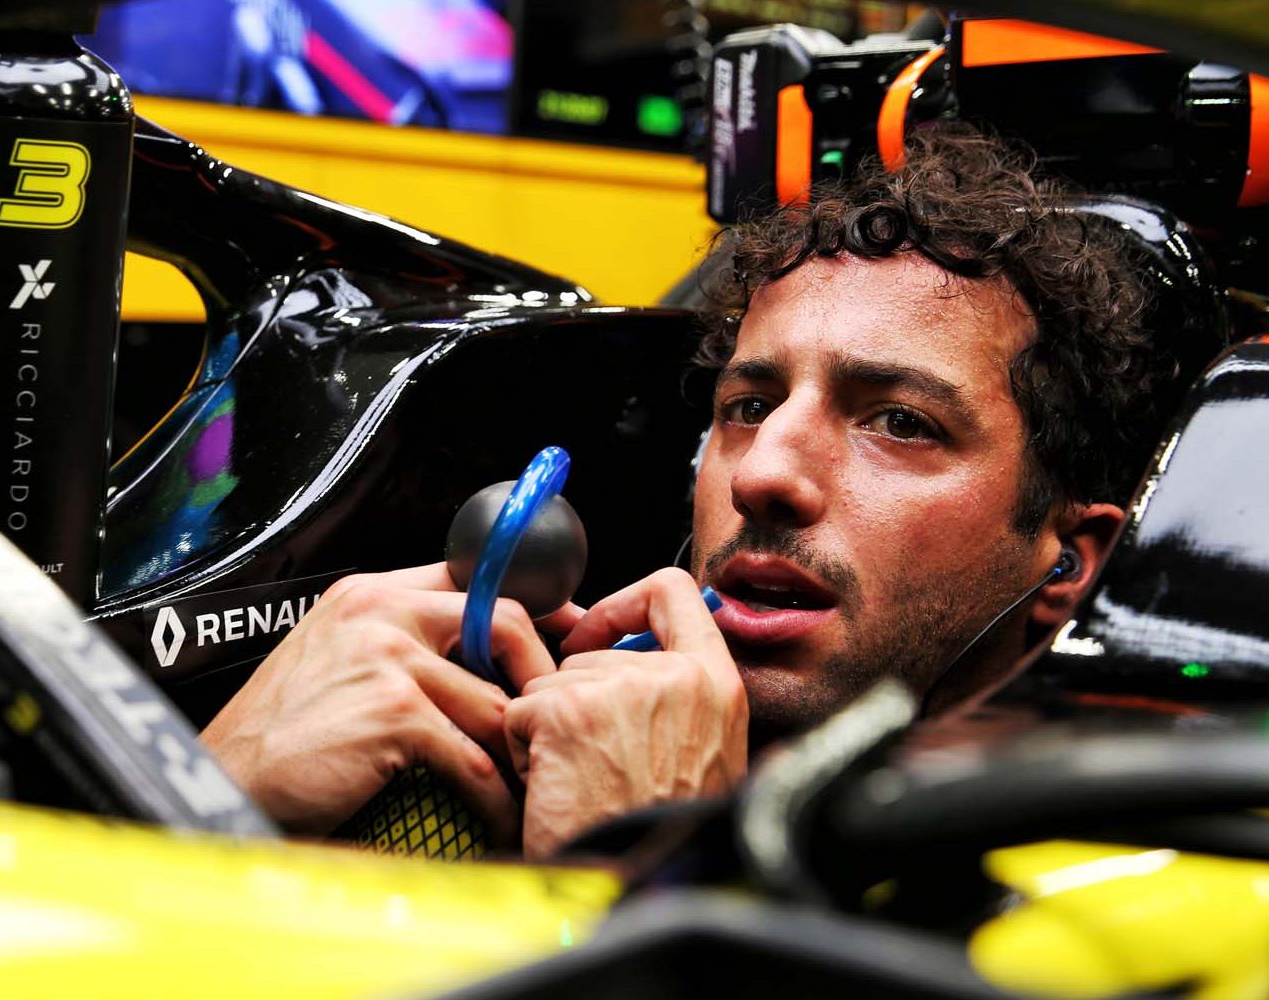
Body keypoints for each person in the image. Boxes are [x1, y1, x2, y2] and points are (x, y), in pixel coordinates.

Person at [198, 127, 1196, 858]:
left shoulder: (1134, 891)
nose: (764, 474)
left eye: (899, 420)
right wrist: (200, 803)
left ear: (1069, 558)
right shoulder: (433, 767)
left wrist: (634, 864)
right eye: (750, 405)